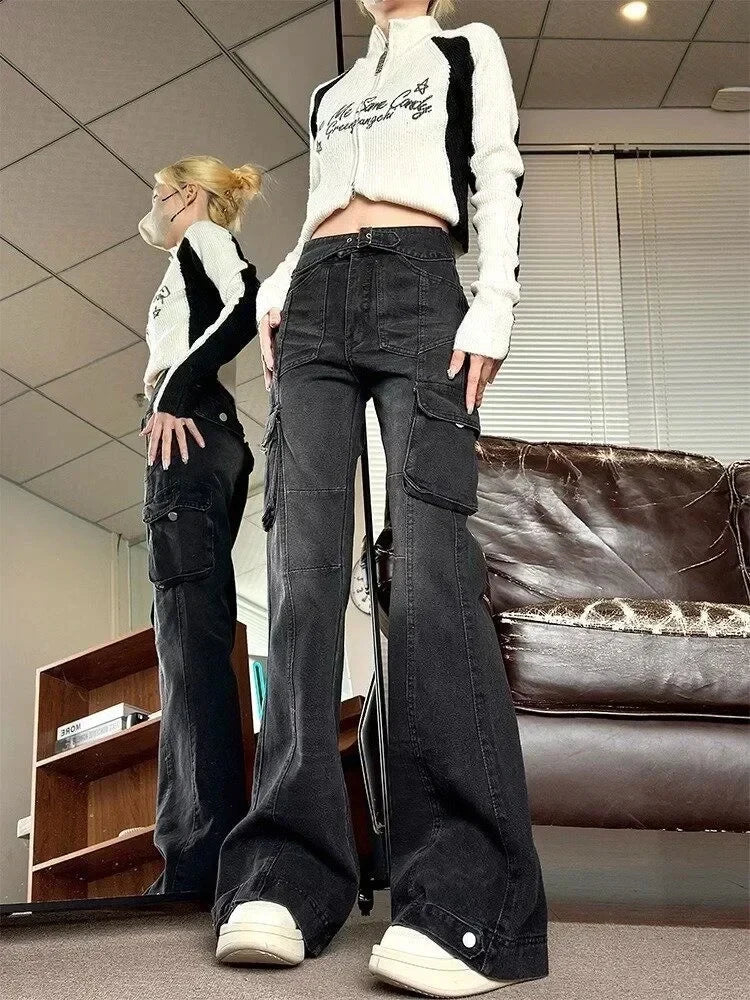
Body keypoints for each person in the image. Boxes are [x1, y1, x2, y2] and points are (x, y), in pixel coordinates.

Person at [212, 2, 549, 996]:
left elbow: (496, 169)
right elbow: (327, 201)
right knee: (301, 578)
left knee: (432, 578)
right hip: (315, 300)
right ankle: (284, 874)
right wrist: (278, 283)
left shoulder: (466, 48)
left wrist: (496, 300)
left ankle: (463, 898)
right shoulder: (335, 90)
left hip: (419, 286)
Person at [137, 155, 261, 900]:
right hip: (202, 439)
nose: (151, 207)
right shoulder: (183, 258)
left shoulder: (202, 240)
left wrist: (173, 392)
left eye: (158, 193)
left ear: (185, 194)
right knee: (192, 645)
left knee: (187, 650)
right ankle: (205, 853)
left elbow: (246, 302)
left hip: (188, 438)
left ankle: (197, 863)